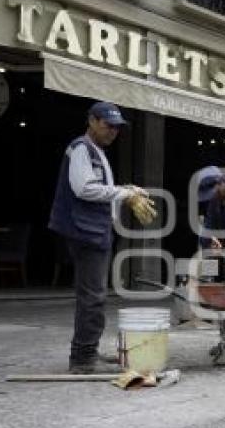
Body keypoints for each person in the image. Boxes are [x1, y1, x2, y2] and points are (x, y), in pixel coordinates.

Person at [48, 101, 149, 374]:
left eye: (117, 128)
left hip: (96, 229)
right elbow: (84, 189)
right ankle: (82, 358)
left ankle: (87, 349)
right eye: (108, 125)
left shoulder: (97, 152)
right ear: (92, 121)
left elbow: (99, 188)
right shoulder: (82, 148)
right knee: (93, 296)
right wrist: (123, 194)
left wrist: (125, 189)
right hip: (85, 231)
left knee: (93, 294)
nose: (112, 132)